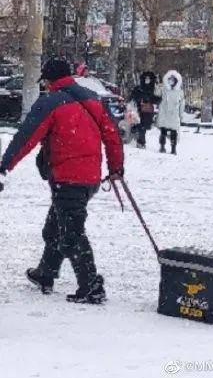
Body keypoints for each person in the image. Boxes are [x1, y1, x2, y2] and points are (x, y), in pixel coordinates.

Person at [0, 58, 124, 304]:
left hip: (68, 178)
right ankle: (45, 273)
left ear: (50, 80)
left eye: (45, 81)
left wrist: (4, 165)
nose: (44, 85)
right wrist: (116, 167)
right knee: (55, 227)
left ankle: (91, 286)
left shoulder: (50, 102)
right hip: (89, 179)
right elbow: (112, 135)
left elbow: (27, 137)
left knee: (71, 233)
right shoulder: (92, 98)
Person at [156, 70, 185, 155]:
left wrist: (180, 115)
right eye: (169, 80)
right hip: (164, 114)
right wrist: (158, 85)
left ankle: (173, 148)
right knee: (163, 131)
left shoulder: (179, 91)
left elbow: (182, 104)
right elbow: (157, 94)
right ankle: (162, 146)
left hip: (174, 115)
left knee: (173, 133)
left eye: (173, 80)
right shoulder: (164, 89)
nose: (171, 81)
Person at [130, 71, 161, 149]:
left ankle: (139, 138)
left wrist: (153, 100)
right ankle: (141, 142)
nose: (147, 80)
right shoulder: (139, 88)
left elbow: (157, 98)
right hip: (139, 109)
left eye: (149, 79)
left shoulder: (153, 89)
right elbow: (133, 96)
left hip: (148, 110)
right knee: (141, 126)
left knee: (145, 126)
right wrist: (141, 99)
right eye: (146, 78)